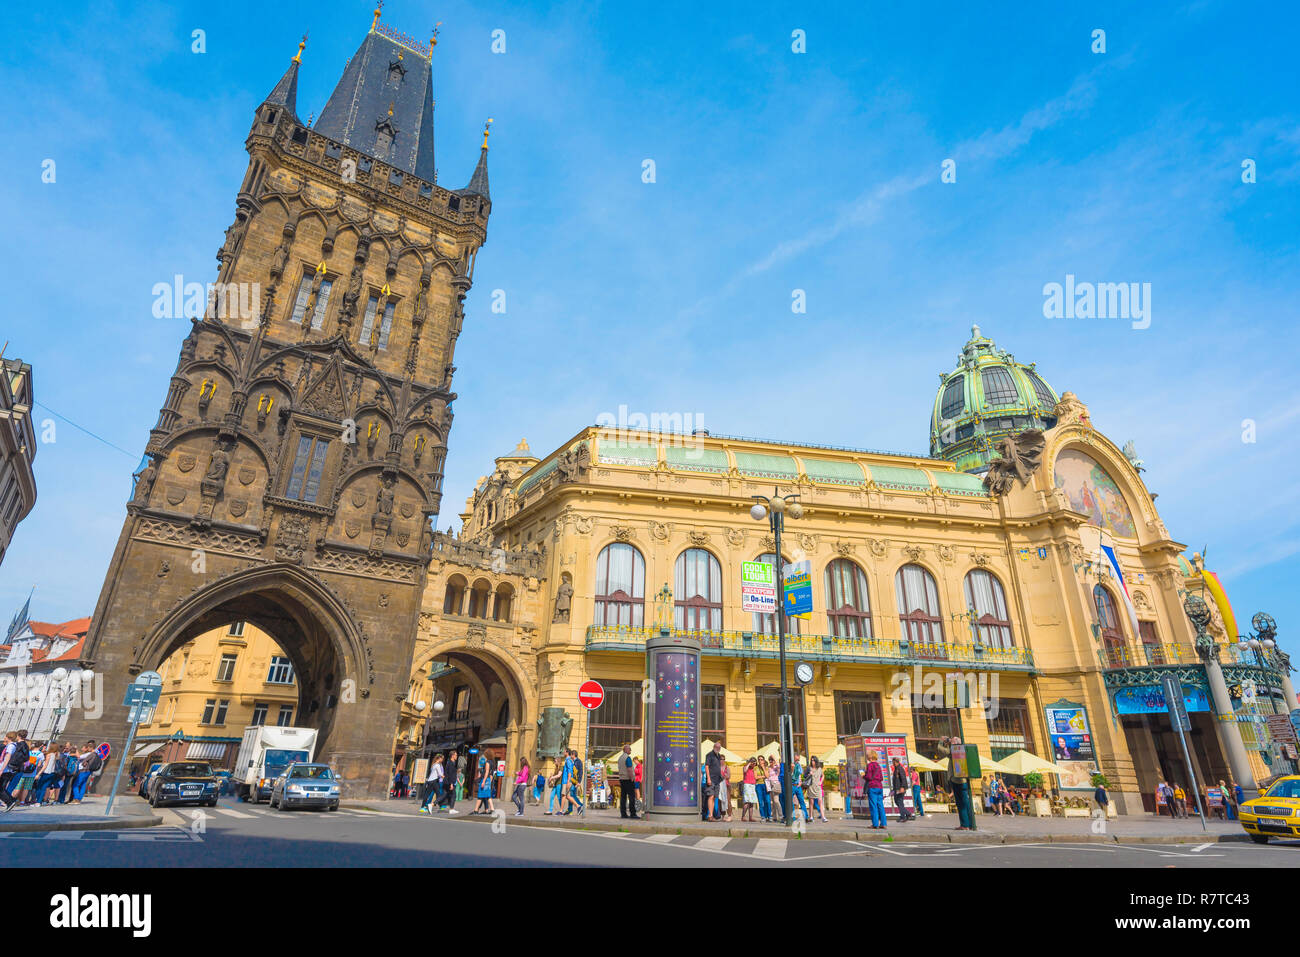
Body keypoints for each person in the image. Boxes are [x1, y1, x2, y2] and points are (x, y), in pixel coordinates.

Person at [863, 751, 886, 829]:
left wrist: (863, 775)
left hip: (872, 787)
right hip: (879, 787)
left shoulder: (870, 765)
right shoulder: (878, 766)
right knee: (880, 806)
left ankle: (875, 824)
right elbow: (881, 778)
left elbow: (868, 777)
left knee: (873, 806)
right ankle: (883, 823)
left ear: (870, 757)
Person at [617, 744, 638, 819]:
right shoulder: (627, 758)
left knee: (623, 797)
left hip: (622, 779)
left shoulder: (620, 758)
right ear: (625, 750)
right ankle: (633, 813)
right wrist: (632, 778)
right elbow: (629, 769)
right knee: (632, 796)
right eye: (629, 749)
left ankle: (623, 813)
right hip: (628, 779)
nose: (630, 750)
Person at [439, 749, 462, 814]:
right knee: (453, 795)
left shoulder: (451, 763)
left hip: (448, 782)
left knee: (444, 795)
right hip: (449, 782)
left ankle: (432, 804)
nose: (456, 756)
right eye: (456, 755)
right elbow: (450, 774)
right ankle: (451, 809)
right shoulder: (451, 763)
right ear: (452, 755)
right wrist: (451, 784)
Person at [890, 757, 913, 822]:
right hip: (896, 788)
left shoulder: (900, 769)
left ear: (895, 762)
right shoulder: (896, 769)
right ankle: (906, 814)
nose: (892, 763)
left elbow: (903, 778)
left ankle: (904, 816)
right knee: (897, 802)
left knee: (899, 802)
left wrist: (902, 787)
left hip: (900, 788)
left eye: (893, 762)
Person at [808, 757, 828, 823]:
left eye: (813, 760)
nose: (812, 762)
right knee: (811, 802)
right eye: (811, 760)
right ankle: (810, 816)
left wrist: (821, 781)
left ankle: (823, 817)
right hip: (811, 787)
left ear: (816, 761)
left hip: (818, 787)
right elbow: (804, 776)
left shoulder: (819, 769)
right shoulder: (809, 768)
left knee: (820, 801)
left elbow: (823, 775)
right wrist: (809, 774)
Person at [741, 757, 758, 822]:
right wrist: (749, 763)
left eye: (754, 762)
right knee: (747, 801)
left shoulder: (754, 768)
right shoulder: (745, 767)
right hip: (747, 785)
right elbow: (745, 770)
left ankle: (750, 817)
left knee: (752, 802)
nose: (753, 764)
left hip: (753, 785)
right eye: (752, 762)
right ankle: (743, 816)